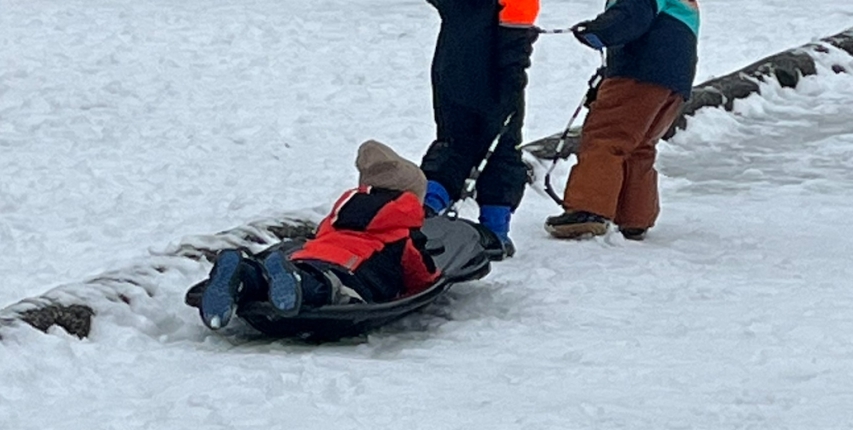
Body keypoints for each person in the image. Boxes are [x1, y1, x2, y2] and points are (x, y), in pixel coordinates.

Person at [198, 140, 441, 330]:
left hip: (309, 256)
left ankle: (245, 273)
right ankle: (296, 282)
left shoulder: (339, 216)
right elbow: (421, 276)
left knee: (273, 281)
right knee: (328, 290)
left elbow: (319, 237)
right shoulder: (403, 233)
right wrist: (434, 279)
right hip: (349, 270)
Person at [544, 0, 699, 241]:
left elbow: (630, 14)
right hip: (675, 81)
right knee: (640, 145)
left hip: (639, 71)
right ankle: (635, 216)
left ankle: (589, 210)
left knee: (606, 137)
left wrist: (598, 30)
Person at [420, 0, 541, 259]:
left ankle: (426, 210)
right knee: (502, 147)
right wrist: (513, 86)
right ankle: (495, 231)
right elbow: (514, 38)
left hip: (450, 68)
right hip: (494, 76)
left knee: (452, 143)